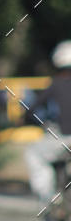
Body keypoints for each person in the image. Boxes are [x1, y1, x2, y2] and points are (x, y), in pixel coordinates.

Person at [24, 40, 71, 203]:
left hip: (65, 138)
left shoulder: (56, 84)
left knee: (34, 153)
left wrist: (28, 119)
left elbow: (32, 109)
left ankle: (49, 197)